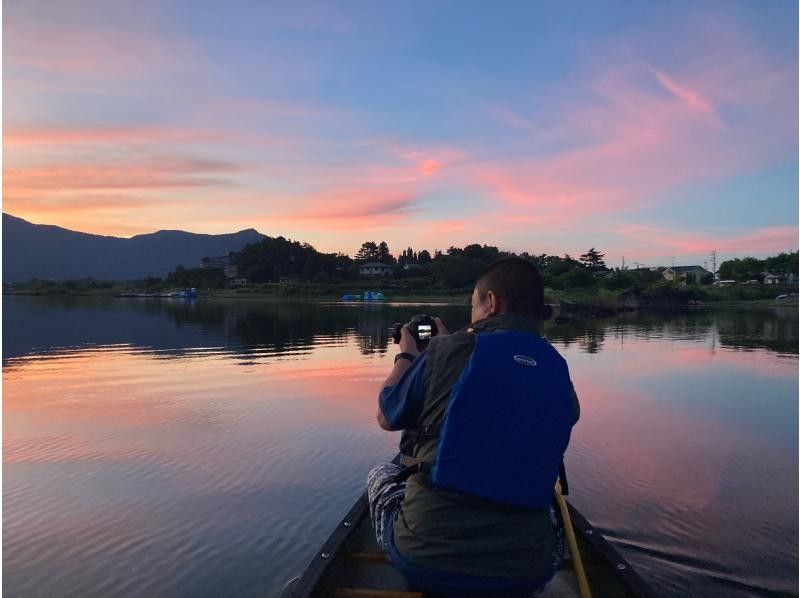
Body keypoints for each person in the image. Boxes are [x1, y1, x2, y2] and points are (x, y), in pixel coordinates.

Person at [366, 257, 580, 597]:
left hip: (426, 559)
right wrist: (451, 346)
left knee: (380, 474)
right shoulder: (557, 368)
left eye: (473, 306)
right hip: (528, 570)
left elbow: (385, 416)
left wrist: (409, 356)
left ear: (491, 303)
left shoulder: (443, 352)